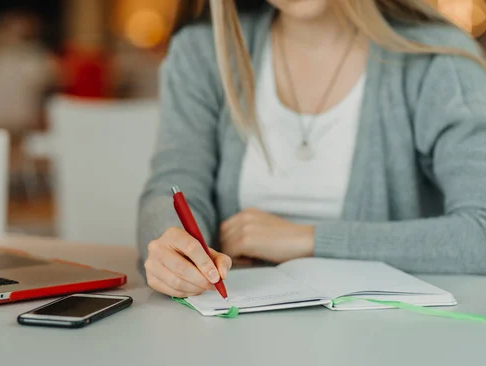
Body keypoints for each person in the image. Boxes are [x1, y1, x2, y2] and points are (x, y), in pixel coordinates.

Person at [137, 0, 486, 298]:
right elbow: (173, 184)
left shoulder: (437, 60)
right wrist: (171, 247)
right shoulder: (203, 51)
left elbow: (479, 231)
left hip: (385, 343)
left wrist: (308, 239)